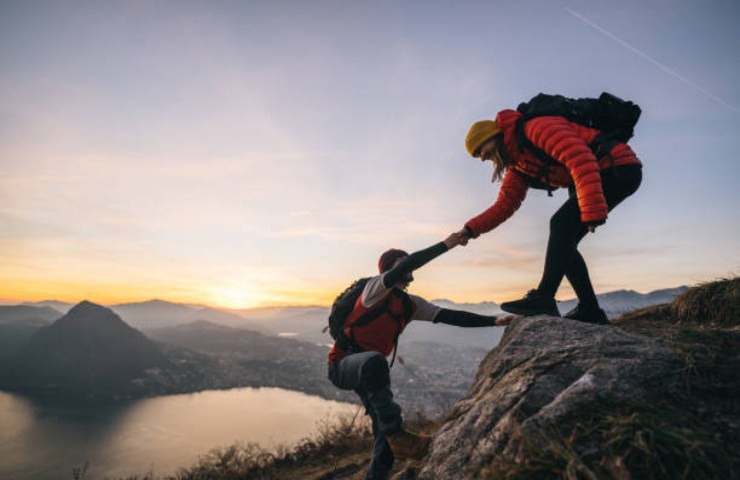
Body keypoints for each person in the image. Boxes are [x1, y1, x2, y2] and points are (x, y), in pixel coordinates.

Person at [327, 232, 510, 480]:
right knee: (377, 370)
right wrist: (448, 244)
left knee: (386, 439)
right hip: (343, 365)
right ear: (387, 271)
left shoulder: (411, 304)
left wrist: (495, 321)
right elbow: (412, 263)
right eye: (401, 262)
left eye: (408, 261)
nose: (408, 265)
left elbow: (450, 316)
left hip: (371, 371)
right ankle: (397, 432)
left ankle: (382, 465)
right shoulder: (374, 290)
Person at [456, 106, 642, 325]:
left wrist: (592, 210)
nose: (482, 157)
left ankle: (544, 297)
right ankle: (590, 309)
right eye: (477, 155)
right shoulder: (518, 165)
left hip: (617, 167)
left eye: (481, 149)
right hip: (598, 174)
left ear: (493, 136)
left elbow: (579, 157)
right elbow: (504, 205)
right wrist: (470, 230)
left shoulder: (536, 128)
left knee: (561, 225)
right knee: (564, 241)